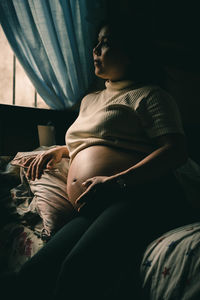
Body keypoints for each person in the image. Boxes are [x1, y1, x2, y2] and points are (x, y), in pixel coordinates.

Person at [1, 20, 196, 300]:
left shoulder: (151, 96)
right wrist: (62, 150)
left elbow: (176, 151)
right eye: (97, 42)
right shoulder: (90, 100)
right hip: (97, 205)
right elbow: (100, 141)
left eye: (106, 43)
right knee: (35, 272)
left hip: (141, 195)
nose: (96, 49)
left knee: (78, 268)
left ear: (131, 53)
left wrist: (117, 181)